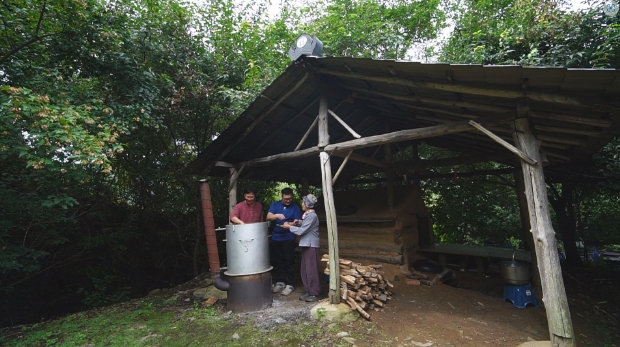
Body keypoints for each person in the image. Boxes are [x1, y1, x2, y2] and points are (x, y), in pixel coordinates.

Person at [282, 194, 321, 302]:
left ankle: (315, 293)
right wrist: (298, 222)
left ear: (308, 204)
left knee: (311, 270)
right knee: (305, 269)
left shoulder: (312, 216)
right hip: (307, 245)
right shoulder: (308, 215)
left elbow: (302, 231)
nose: (302, 204)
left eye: (303, 202)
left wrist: (289, 227)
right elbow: (304, 225)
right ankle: (308, 291)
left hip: (311, 245)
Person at [266, 187, 302, 295]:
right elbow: (268, 217)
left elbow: (297, 222)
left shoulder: (295, 207)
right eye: (286, 199)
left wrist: (290, 224)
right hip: (275, 237)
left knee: (289, 260)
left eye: (290, 198)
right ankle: (280, 281)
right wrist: (276, 215)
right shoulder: (275, 205)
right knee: (278, 260)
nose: (288, 201)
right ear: (282, 196)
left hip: (288, 237)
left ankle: (290, 283)